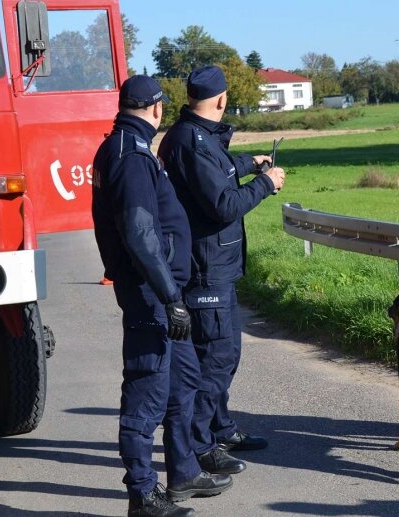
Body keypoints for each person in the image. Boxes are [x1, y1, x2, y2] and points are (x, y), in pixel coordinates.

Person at [92, 74, 233, 517]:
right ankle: (143, 495)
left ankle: (185, 471)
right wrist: (170, 294)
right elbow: (138, 232)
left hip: (161, 291)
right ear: (156, 109)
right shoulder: (129, 156)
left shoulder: (125, 148)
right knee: (145, 395)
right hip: (151, 294)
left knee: (183, 380)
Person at [158, 65, 285, 474]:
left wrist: (251, 163)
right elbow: (224, 205)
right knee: (214, 358)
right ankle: (200, 446)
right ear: (221, 99)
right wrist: (268, 183)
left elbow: (220, 170)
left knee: (224, 355)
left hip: (217, 265)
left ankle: (220, 427)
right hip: (204, 267)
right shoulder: (191, 142)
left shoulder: (198, 136)